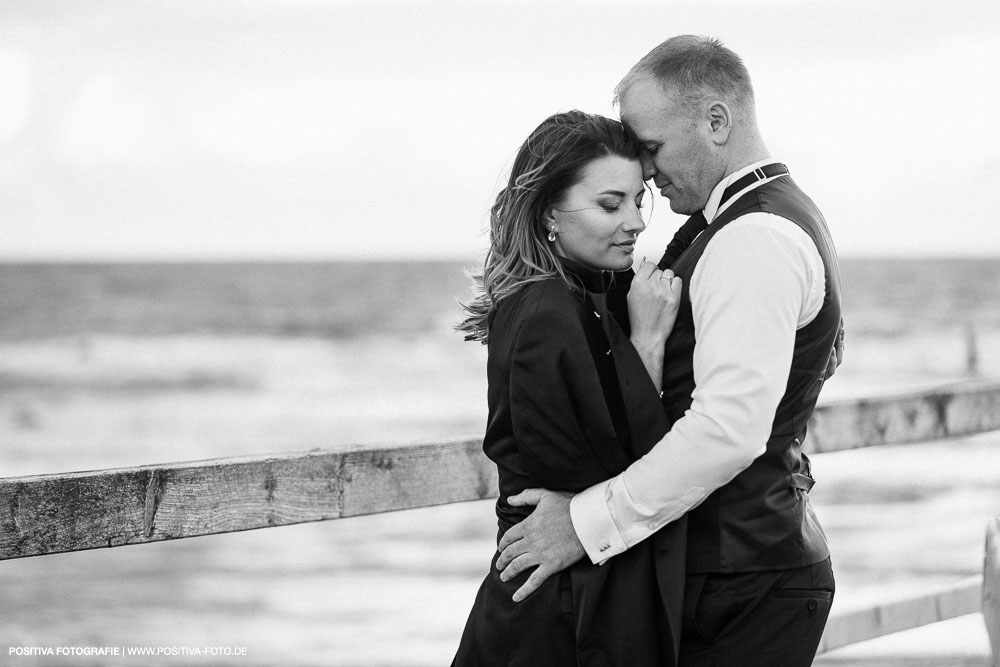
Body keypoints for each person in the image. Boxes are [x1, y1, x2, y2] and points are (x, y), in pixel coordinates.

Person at [494, 35, 843, 666]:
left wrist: (583, 523)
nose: (647, 172)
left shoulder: (756, 237)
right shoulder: (751, 222)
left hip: (743, 579)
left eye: (652, 148)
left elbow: (728, 429)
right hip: (732, 570)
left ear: (716, 122)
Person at [452, 110, 688, 665]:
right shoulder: (547, 314)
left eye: (638, 201)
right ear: (549, 212)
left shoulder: (582, 295)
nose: (634, 222)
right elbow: (626, 472)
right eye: (611, 204)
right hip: (556, 612)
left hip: (575, 596)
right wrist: (649, 342)